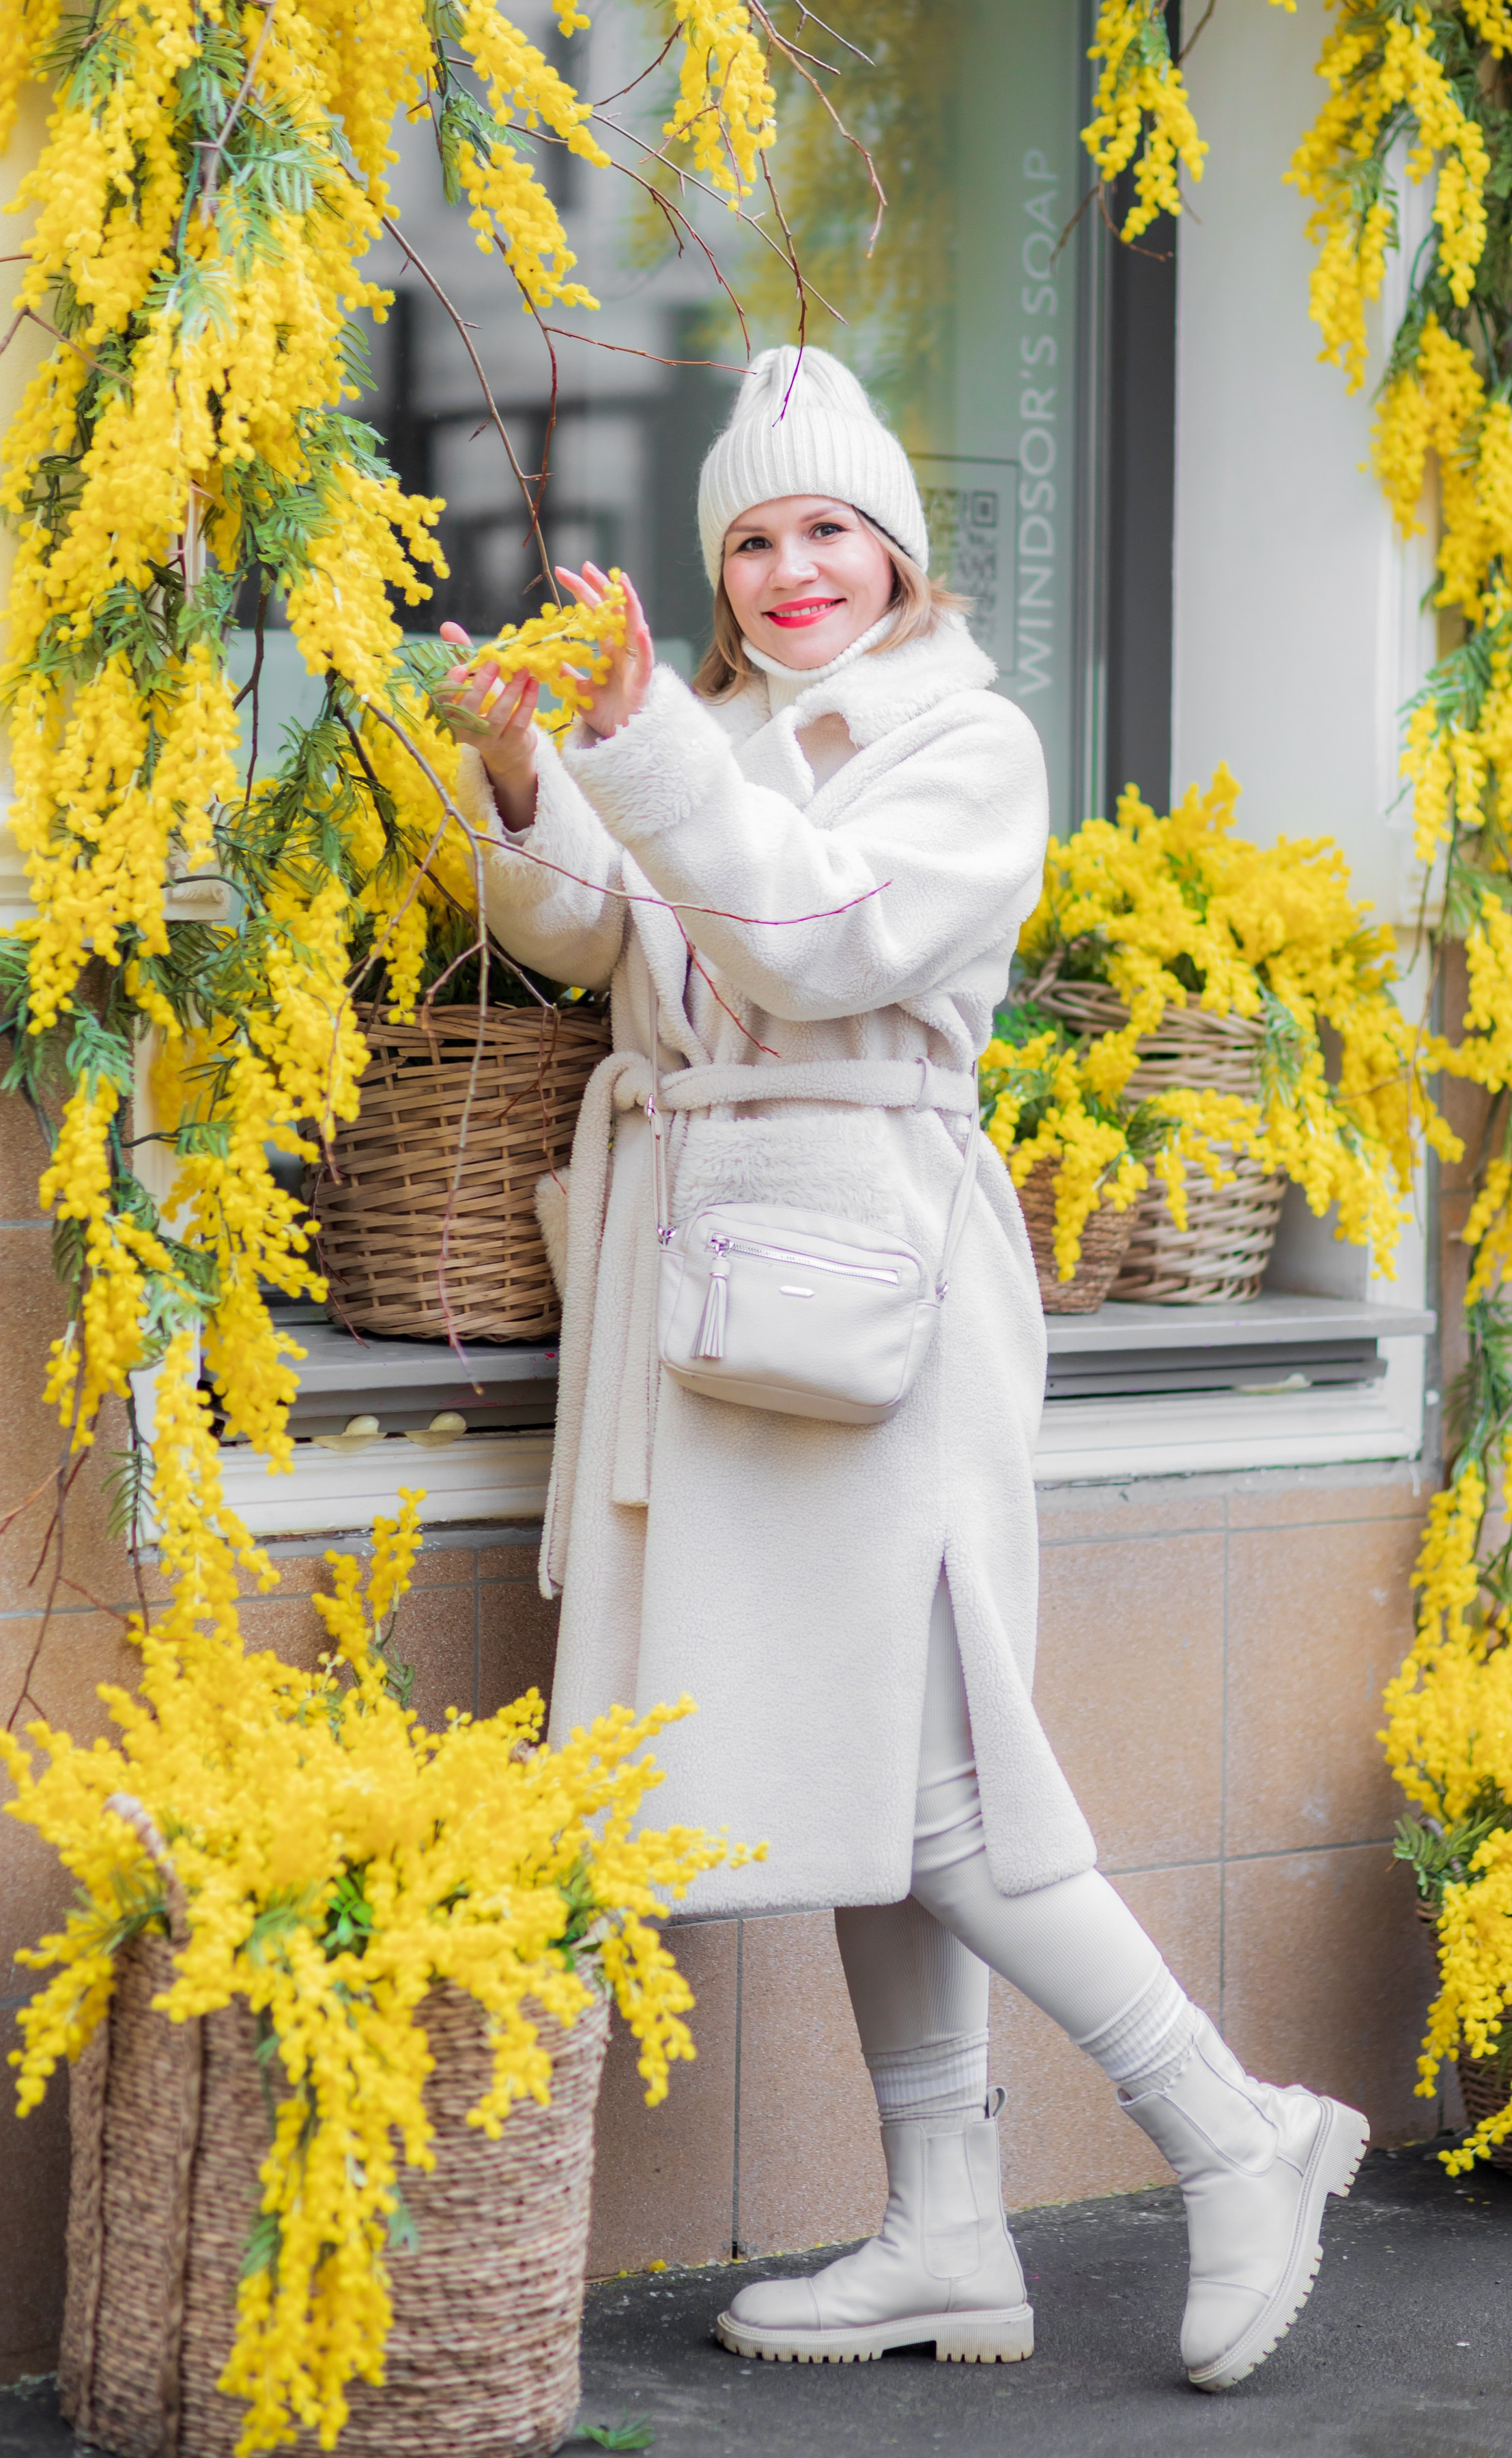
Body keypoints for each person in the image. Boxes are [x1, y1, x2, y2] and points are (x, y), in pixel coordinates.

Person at [440, 346, 1367, 2392]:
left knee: (944, 1780)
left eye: (829, 530)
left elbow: (818, 940)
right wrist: (521, 769)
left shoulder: (969, 743)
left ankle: (1237, 2129)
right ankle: (946, 2229)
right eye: (754, 540)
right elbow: (596, 941)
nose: (791, 570)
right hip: (723, 1283)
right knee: (877, 1774)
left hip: (874, 1289)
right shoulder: (709, 732)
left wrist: (640, 740)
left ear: (899, 550)